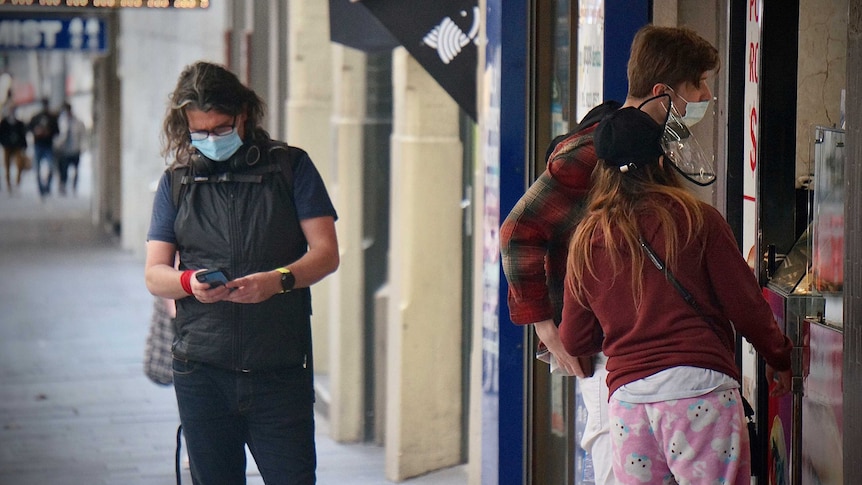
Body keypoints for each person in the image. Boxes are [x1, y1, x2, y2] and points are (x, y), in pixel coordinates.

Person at [500, 25, 720, 485]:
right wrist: (549, 329)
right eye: (698, 83)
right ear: (663, 93)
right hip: (604, 349)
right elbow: (518, 231)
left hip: (640, 352)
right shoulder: (592, 151)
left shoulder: (652, 144)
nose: (706, 95)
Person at [559, 98, 793, 483]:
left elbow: (575, 336)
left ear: (601, 170)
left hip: (630, 407)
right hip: (699, 394)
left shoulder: (587, 239)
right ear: (662, 160)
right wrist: (778, 356)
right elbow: (746, 304)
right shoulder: (695, 218)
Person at [144, 61, 339, 484]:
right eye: (200, 132)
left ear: (244, 116)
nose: (211, 139)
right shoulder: (177, 182)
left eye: (221, 128)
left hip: (279, 369)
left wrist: (278, 280)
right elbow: (154, 273)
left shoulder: (291, 168)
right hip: (202, 373)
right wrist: (188, 284)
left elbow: (326, 254)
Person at [27, 98, 59, 197]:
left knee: (50, 167)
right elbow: (29, 128)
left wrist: (49, 132)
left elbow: (57, 131)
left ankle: (47, 187)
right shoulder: (36, 117)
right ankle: (40, 188)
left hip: (48, 145)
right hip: (38, 145)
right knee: (37, 168)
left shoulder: (52, 118)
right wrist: (36, 132)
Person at [54, 102, 87, 196]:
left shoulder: (78, 122)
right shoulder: (61, 121)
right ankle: (63, 185)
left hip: (75, 149)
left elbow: (83, 135)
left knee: (76, 170)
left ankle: (74, 186)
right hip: (64, 150)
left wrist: (82, 147)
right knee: (64, 169)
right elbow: (58, 136)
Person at [0, 104, 29, 193]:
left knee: (19, 164)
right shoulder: (4, 123)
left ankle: (17, 183)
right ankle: (8, 184)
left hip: (17, 146)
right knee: (7, 165)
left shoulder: (19, 123)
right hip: (7, 146)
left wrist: (24, 145)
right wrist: (4, 142)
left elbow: (23, 134)